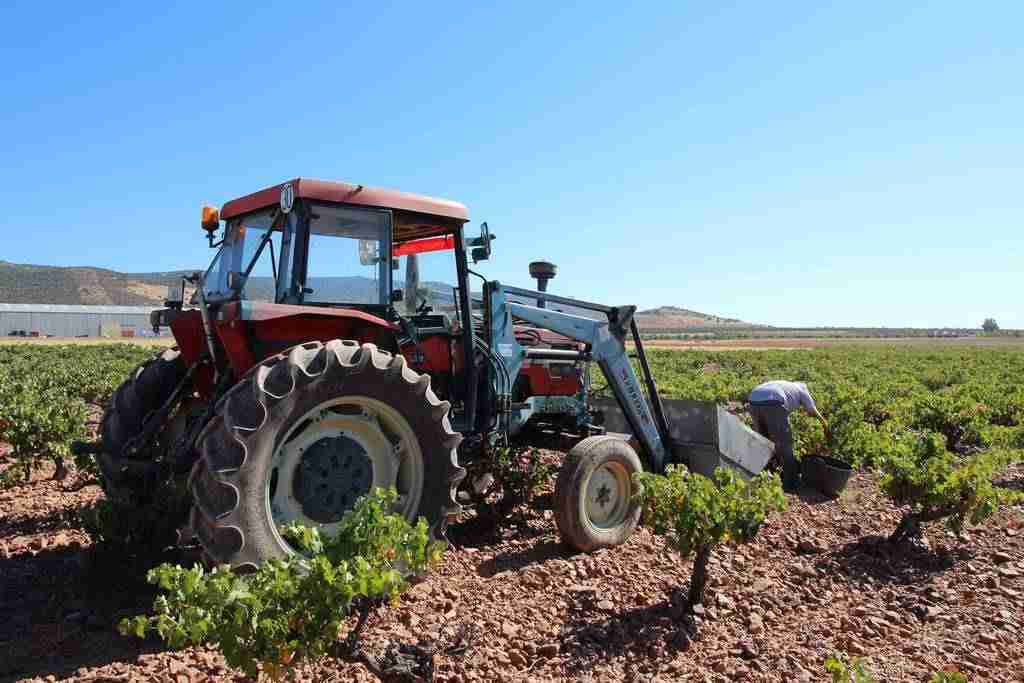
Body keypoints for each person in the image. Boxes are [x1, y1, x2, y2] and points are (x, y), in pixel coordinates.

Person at [747, 380, 830, 491]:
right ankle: (790, 483)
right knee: (784, 443)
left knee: (763, 441)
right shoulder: (802, 390)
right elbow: (812, 411)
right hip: (773, 401)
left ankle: (764, 477)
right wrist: (825, 424)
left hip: (753, 400)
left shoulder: (787, 386)